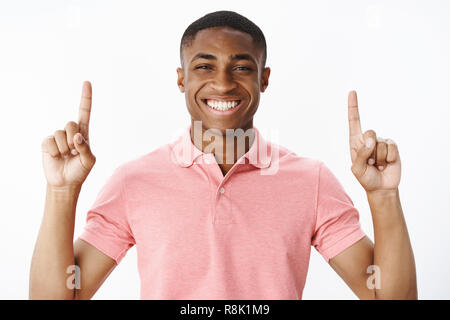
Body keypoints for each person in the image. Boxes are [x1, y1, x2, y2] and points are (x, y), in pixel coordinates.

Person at [30, 10, 417, 300]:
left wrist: (383, 197)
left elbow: (388, 297)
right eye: (204, 66)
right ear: (181, 77)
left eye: (241, 67)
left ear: (264, 78)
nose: (222, 82)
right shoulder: (135, 181)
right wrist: (61, 193)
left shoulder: (310, 180)